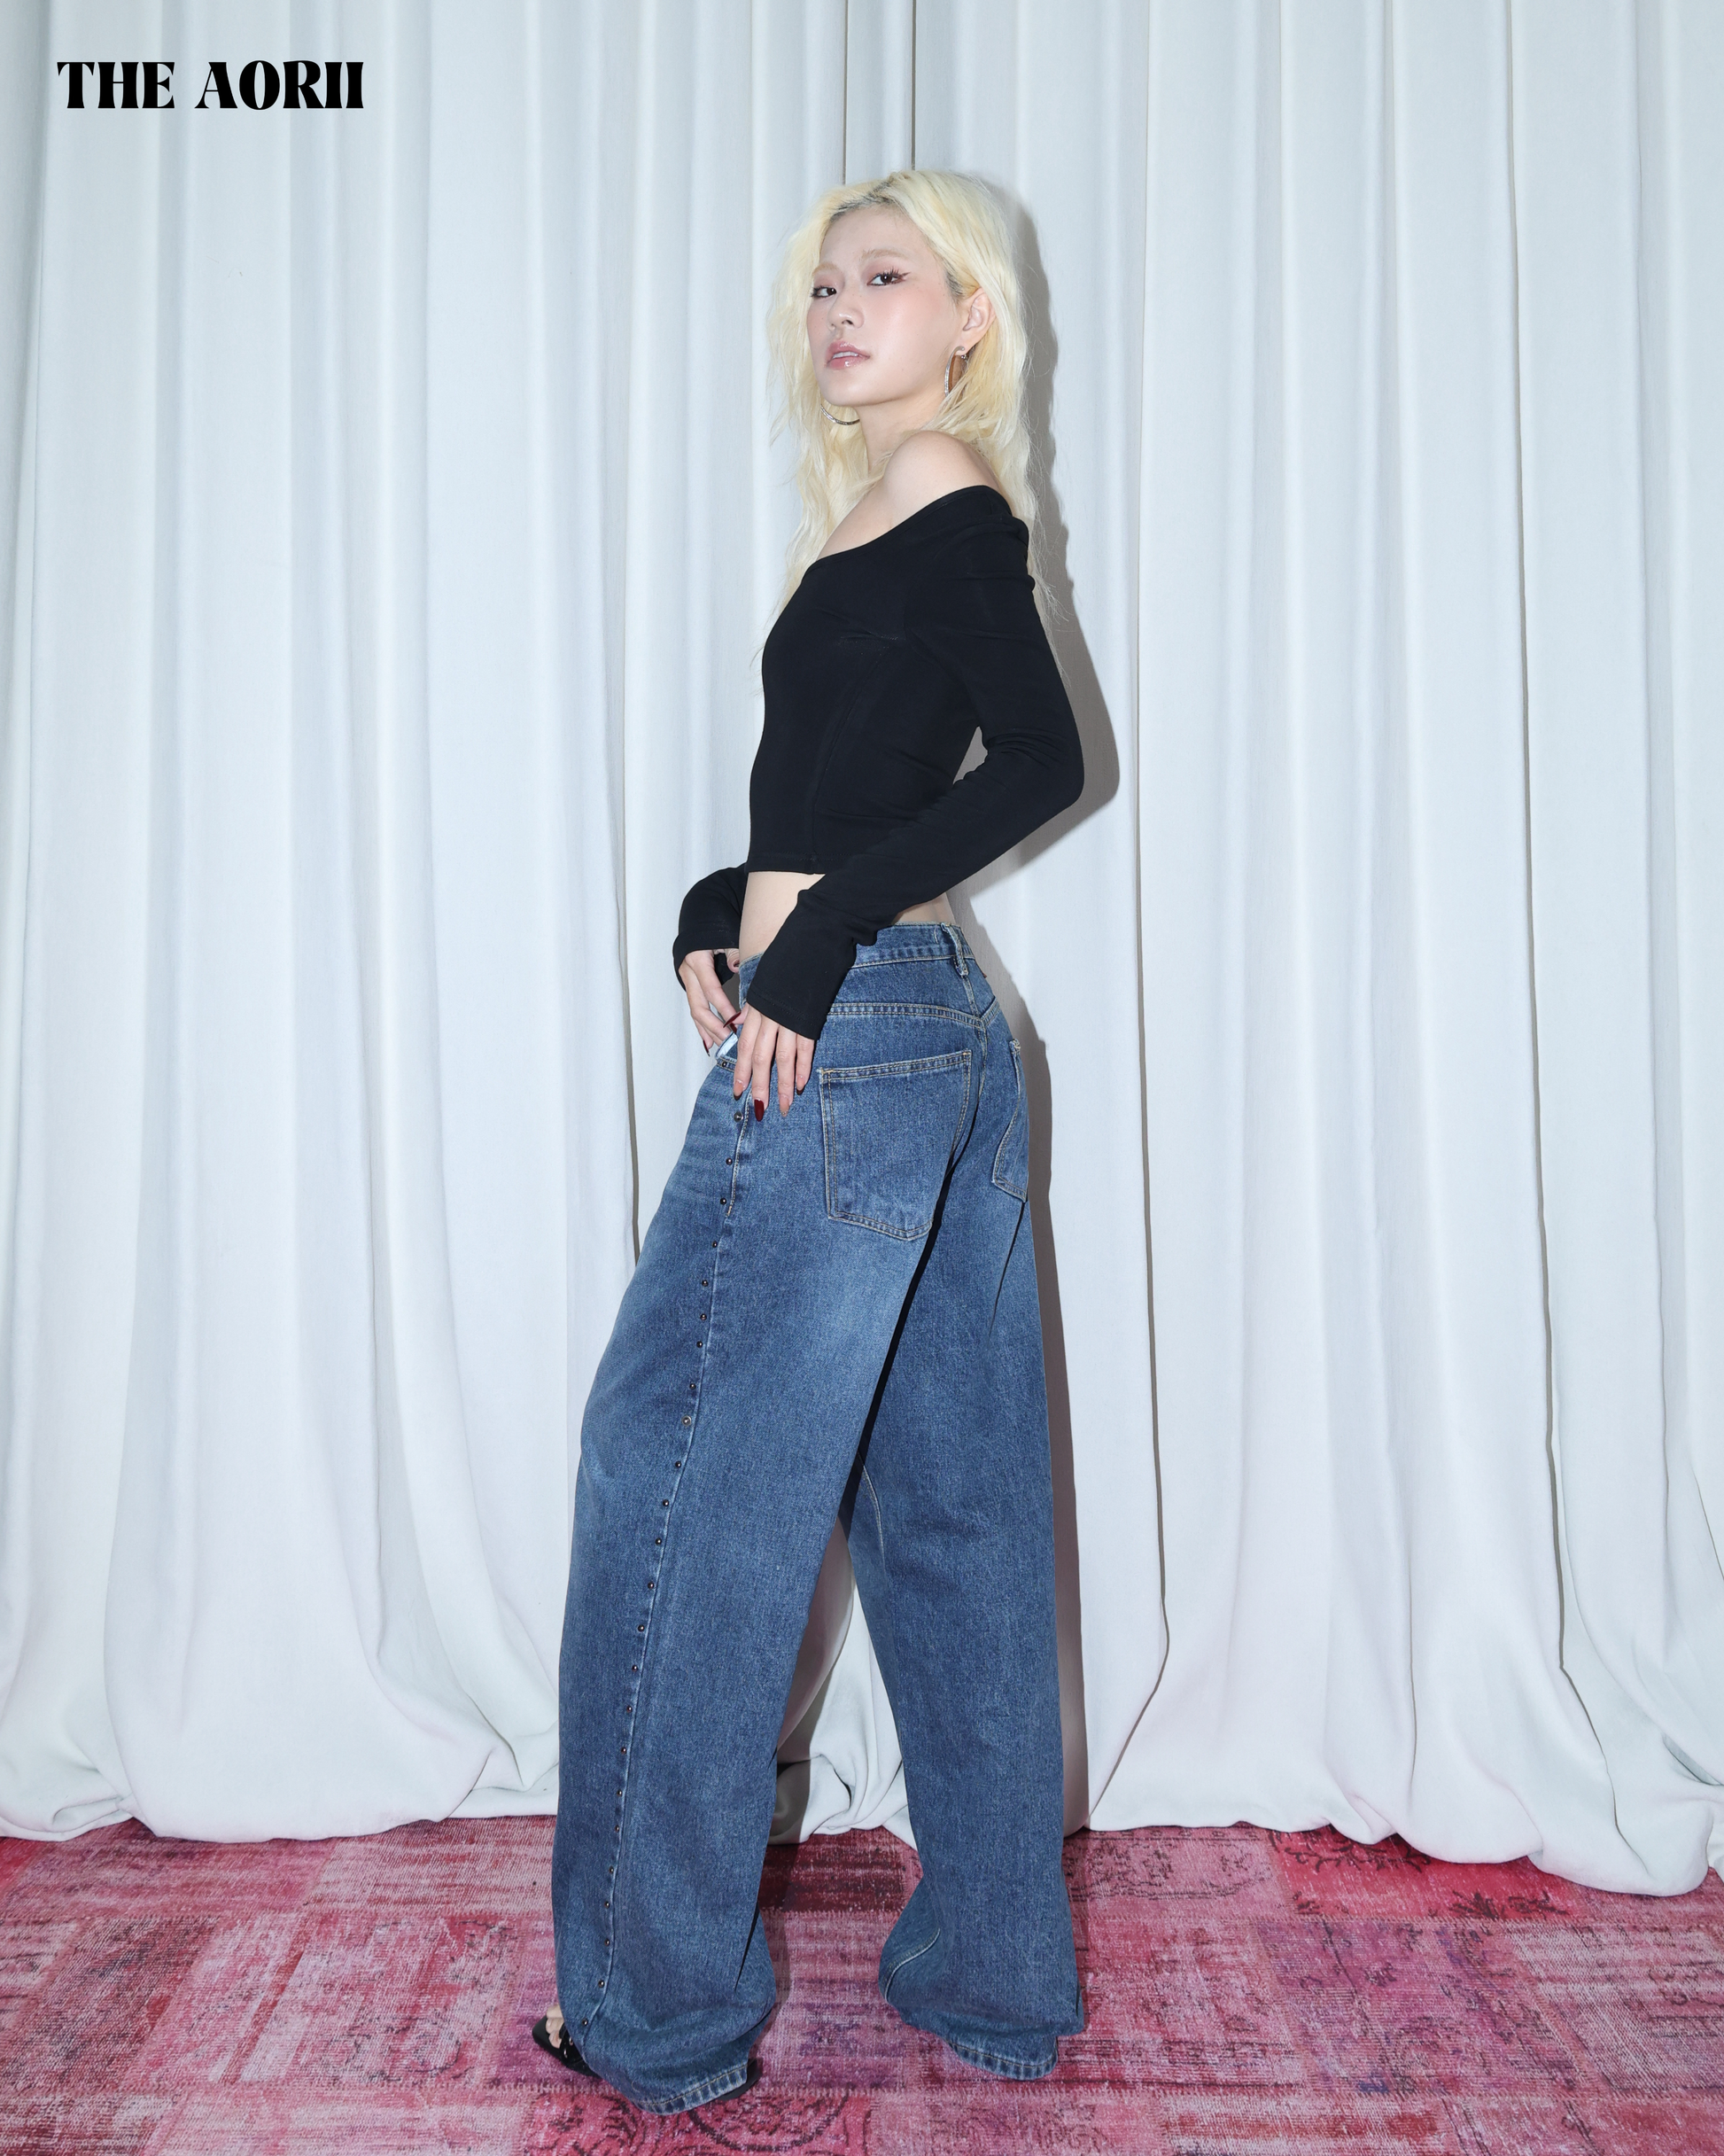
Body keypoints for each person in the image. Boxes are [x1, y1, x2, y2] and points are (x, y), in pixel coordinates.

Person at [532, 167, 1086, 2116]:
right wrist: (724, 904)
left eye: (887, 278)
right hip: (918, 1029)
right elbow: (848, 791)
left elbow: (1043, 760)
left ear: (968, 316)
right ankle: (993, 1979)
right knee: (950, 1517)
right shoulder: (882, 507)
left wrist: (816, 934)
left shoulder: (939, 484)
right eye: (825, 285)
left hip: (849, 1039)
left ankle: (654, 2013)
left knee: (675, 1487)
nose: (840, 310)